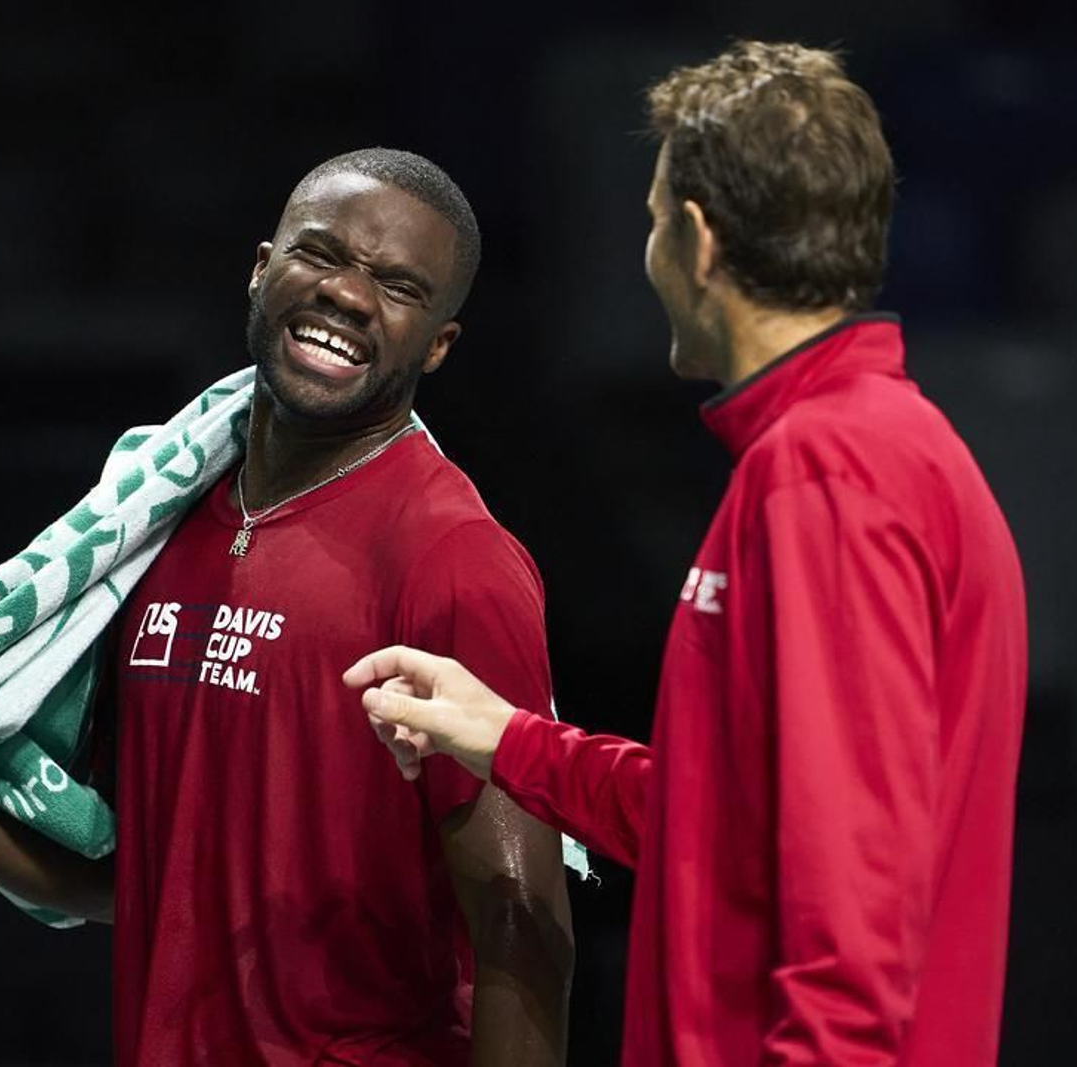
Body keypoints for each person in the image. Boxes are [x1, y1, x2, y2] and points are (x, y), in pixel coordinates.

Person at [345, 42, 1027, 1065]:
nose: (651, 252)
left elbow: (851, 941)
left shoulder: (826, 474)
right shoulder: (875, 449)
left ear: (700, 240)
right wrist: (510, 740)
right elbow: (740, 824)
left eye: (656, 220)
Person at [0, 148, 574, 1065]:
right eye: (323, 254)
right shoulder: (153, 525)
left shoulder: (453, 559)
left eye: (399, 286)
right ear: (262, 269)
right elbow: (156, 877)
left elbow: (520, 920)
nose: (348, 296)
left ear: (438, 345)